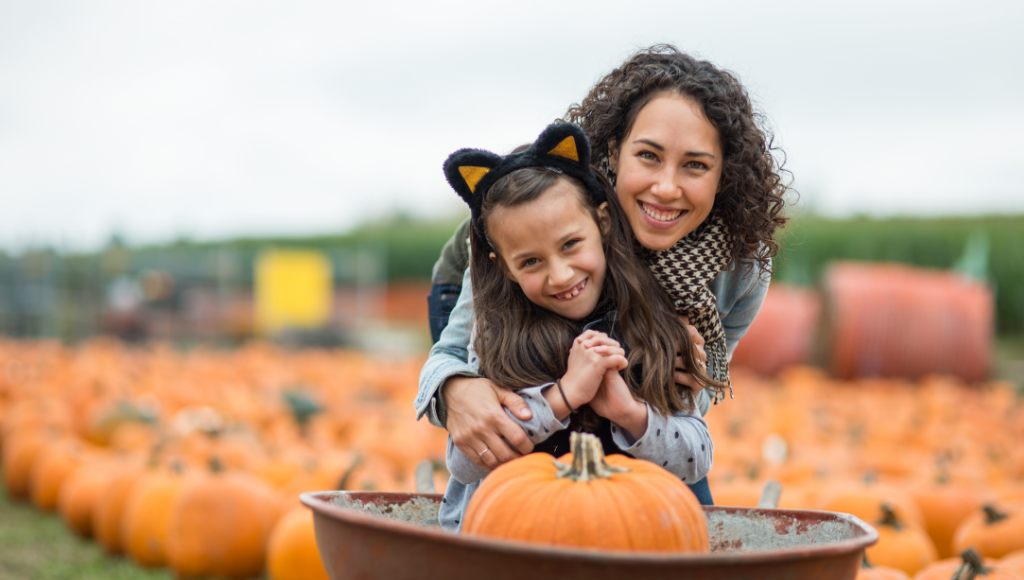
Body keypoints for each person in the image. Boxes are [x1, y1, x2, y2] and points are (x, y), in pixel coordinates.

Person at [417, 44, 789, 496]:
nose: (665, 188)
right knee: (506, 414)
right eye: (648, 156)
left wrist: (693, 371)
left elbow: (693, 404)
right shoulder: (552, 226)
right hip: (492, 288)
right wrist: (456, 391)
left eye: (695, 165)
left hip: (618, 335)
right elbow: (455, 357)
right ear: (614, 152)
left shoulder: (740, 268)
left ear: (723, 174)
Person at [436, 122, 721, 531]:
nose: (560, 274)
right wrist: (562, 396)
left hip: (625, 533)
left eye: (571, 244)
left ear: (602, 223)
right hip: (510, 537)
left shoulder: (651, 326)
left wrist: (629, 412)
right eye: (531, 261)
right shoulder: (496, 335)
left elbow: (696, 457)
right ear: (505, 268)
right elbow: (464, 462)